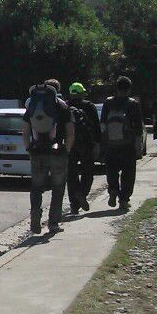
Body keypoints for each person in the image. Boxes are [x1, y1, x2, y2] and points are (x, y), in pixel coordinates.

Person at [22, 78, 74, 234]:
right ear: (57, 91)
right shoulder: (63, 107)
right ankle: (53, 224)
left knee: (36, 188)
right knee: (58, 189)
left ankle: (35, 216)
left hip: (37, 152)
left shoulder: (32, 106)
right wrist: (67, 151)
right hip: (57, 152)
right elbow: (70, 133)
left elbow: (25, 132)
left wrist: (29, 149)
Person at [101, 76, 144, 210]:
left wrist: (104, 142)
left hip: (111, 144)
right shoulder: (133, 104)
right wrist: (138, 146)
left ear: (117, 88)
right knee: (128, 173)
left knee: (111, 170)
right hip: (127, 145)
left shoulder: (108, 103)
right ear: (129, 89)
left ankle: (113, 190)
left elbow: (103, 124)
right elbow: (138, 128)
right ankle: (124, 199)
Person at [66, 82, 100, 215]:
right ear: (82, 93)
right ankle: (82, 193)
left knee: (71, 174)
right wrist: (98, 143)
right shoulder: (89, 106)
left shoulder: (65, 106)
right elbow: (96, 126)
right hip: (86, 143)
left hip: (70, 144)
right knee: (88, 172)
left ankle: (74, 205)